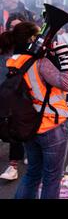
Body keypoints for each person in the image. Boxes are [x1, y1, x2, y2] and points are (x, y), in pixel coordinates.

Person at [0, 21, 68, 199]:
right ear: (32, 39)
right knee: (51, 178)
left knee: (33, 173)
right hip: (52, 126)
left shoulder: (12, 62)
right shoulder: (39, 62)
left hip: (28, 126)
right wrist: (64, 55)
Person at [0, 14, 28, 181]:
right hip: (5, 90)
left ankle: (13, 165)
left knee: (18, 125)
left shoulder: (31, 48)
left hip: (25, 94)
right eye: (12, 27)